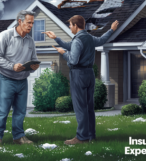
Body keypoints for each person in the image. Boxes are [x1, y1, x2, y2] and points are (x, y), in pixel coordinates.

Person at [43, 15, 119, 144]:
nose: (69, 27)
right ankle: (90, 136)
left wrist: (63, 53)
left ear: (76, 26)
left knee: (80, 107)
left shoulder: (78, 40)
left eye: (70, 25)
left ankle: (81, 138)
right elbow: (101, 40)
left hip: (78, 74)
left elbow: (73, 59)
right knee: (89, 107)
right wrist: (56, 38)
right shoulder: (88, 38)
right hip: (89, 74)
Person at [0, 10, 40, 146]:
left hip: (23, 81)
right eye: (29, 22)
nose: (31, 26)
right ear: (20, 21)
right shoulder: (5, 36)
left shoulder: (30, 40)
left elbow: (34, 59)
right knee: (2, 111)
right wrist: (12, 66)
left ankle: (18, 136)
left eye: (32, 23)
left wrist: (34, 65)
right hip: (6, 79)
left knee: (20, 112)